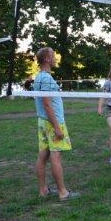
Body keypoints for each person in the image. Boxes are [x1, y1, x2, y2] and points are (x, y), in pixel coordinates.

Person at [33, 47, 78, 201]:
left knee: (42, 157)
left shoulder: (39, 77)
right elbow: (47, 104)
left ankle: (43, 190)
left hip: (43, 122)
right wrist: (57, 127)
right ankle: (63, 192)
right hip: (52, 122)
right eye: (52, 56)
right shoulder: (45, 79)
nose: (55, 58)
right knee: (56, 157)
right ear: (46, 59)